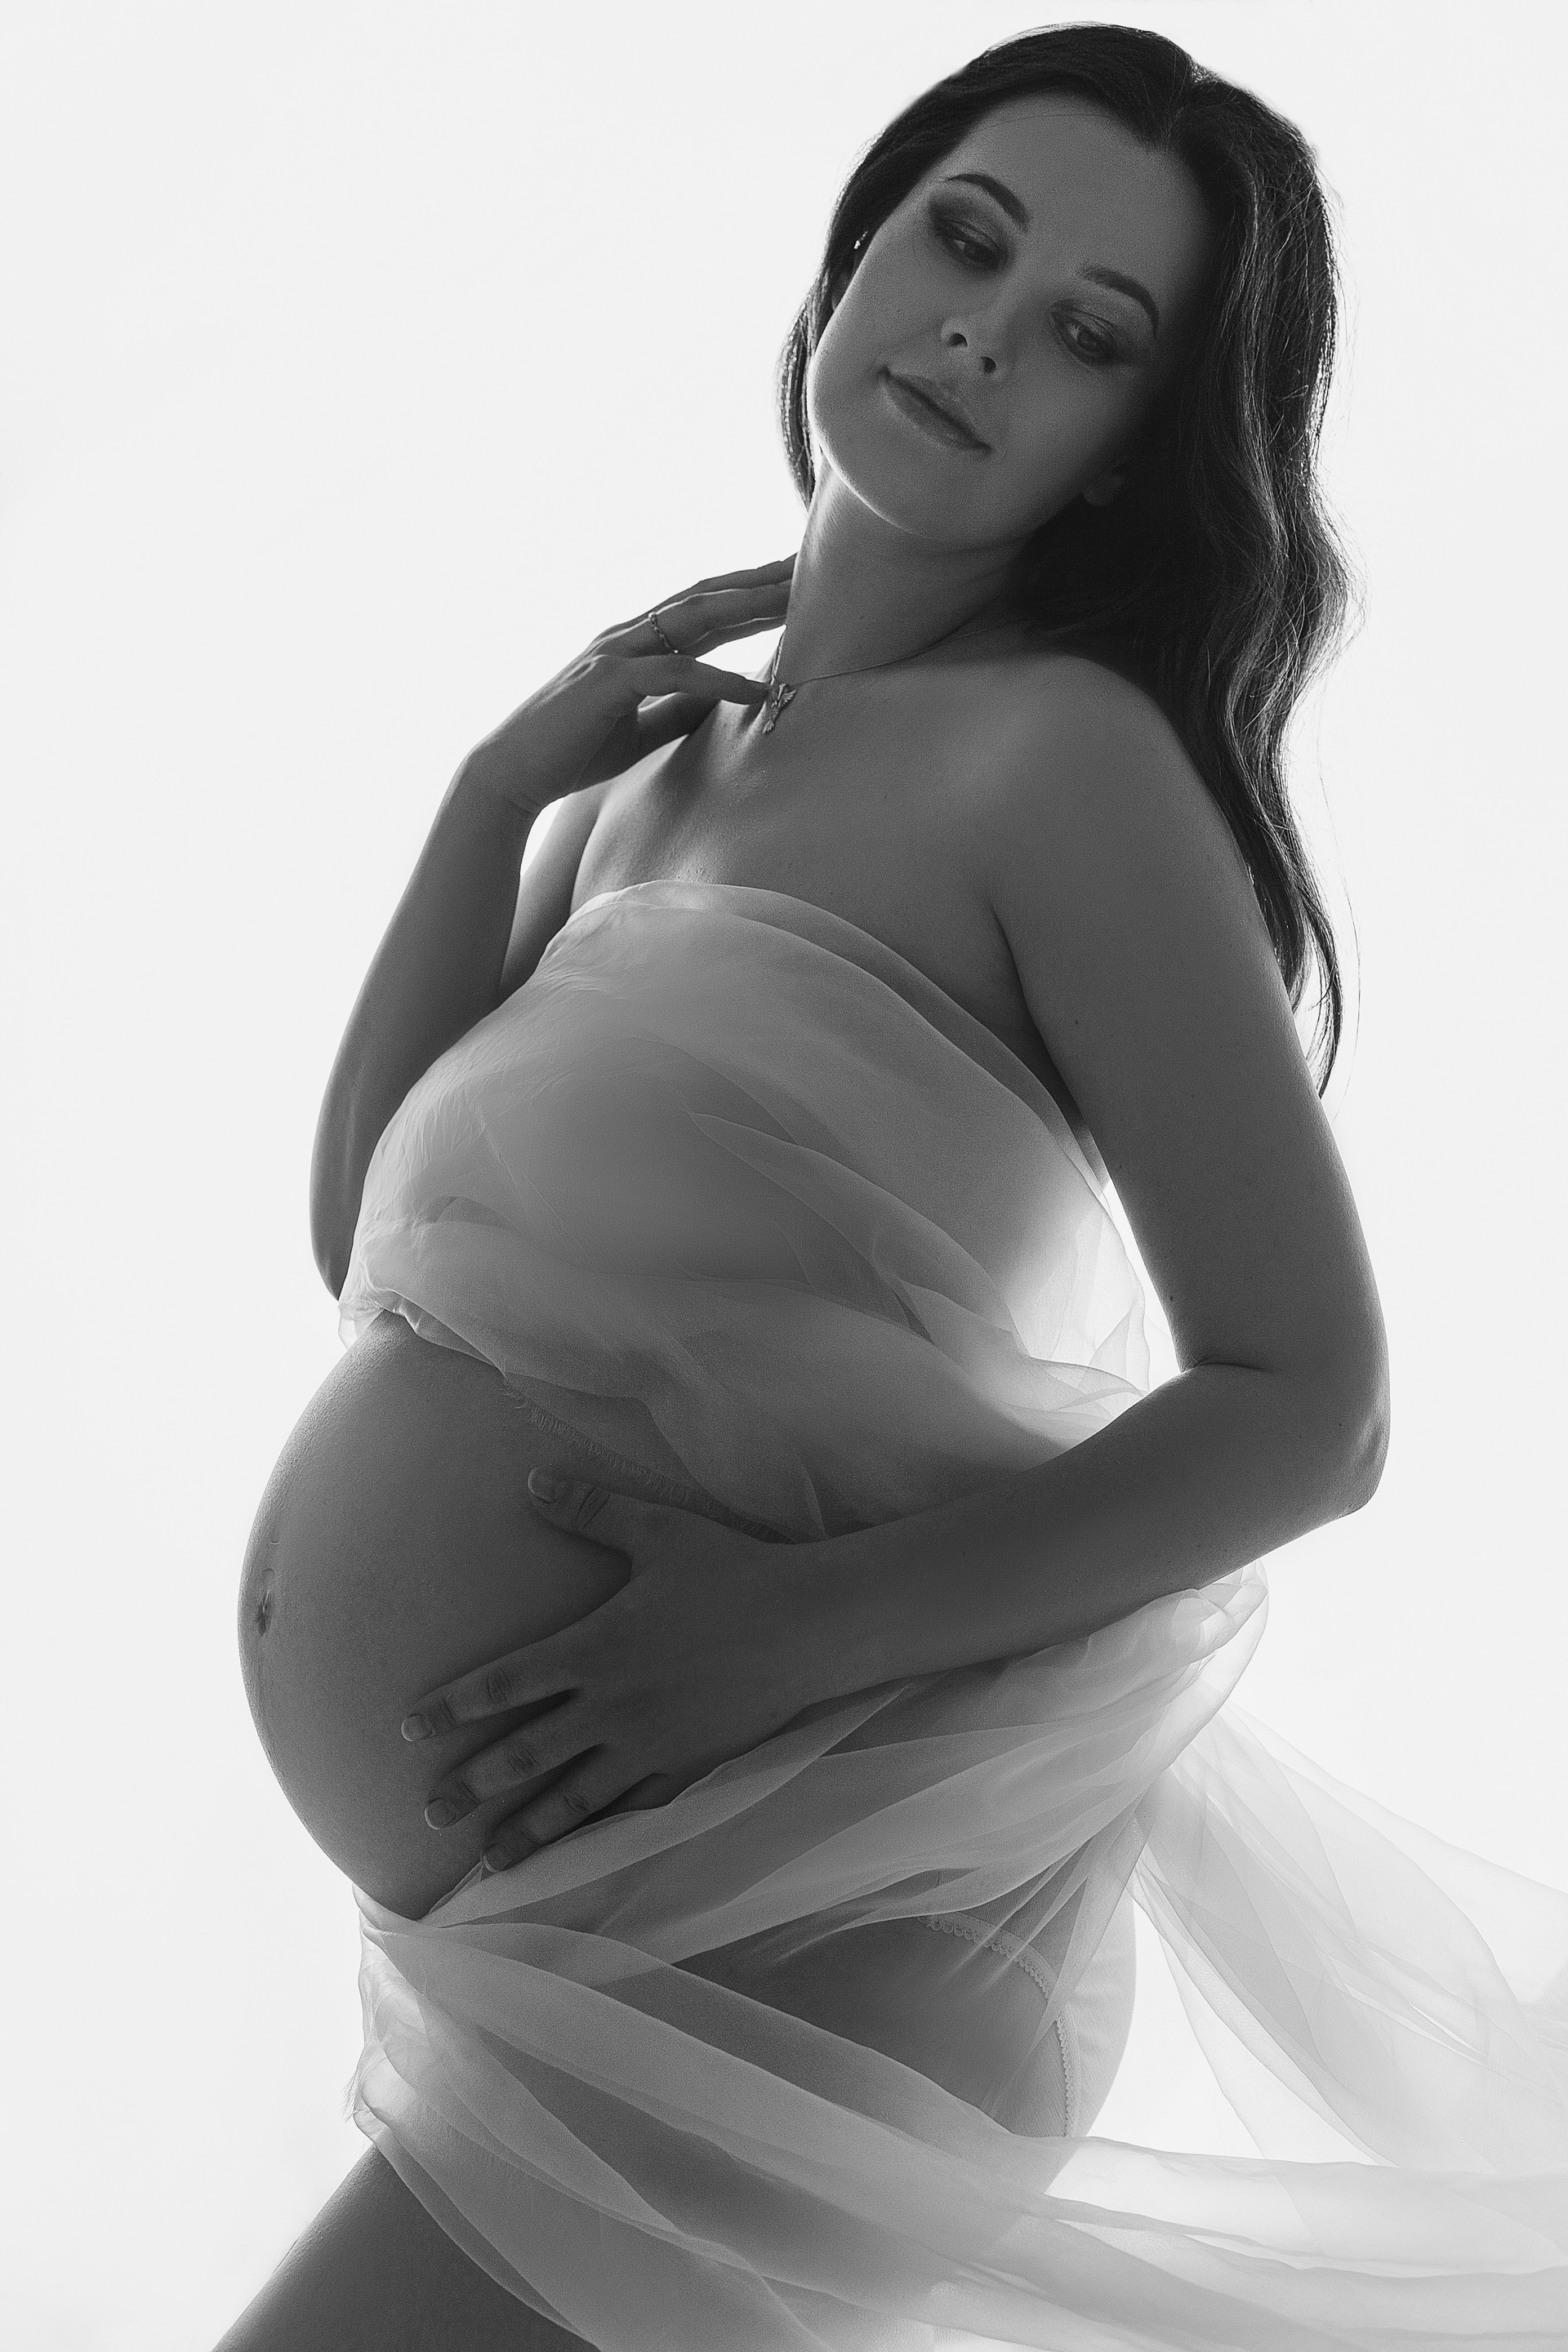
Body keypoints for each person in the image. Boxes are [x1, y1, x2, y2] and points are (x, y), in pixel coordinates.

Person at [218, 24, 1568, 2350]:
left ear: (1132, 445)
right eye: (964, 239)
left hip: (819, 1939)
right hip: (621, 1934)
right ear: (857, 253)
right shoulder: (656, 780)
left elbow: (1311, 1411)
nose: (982, 333)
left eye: (1091, 333)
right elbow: (379, 1257)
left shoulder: (1059, 763)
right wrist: (486, 799)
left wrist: (780, 1635)